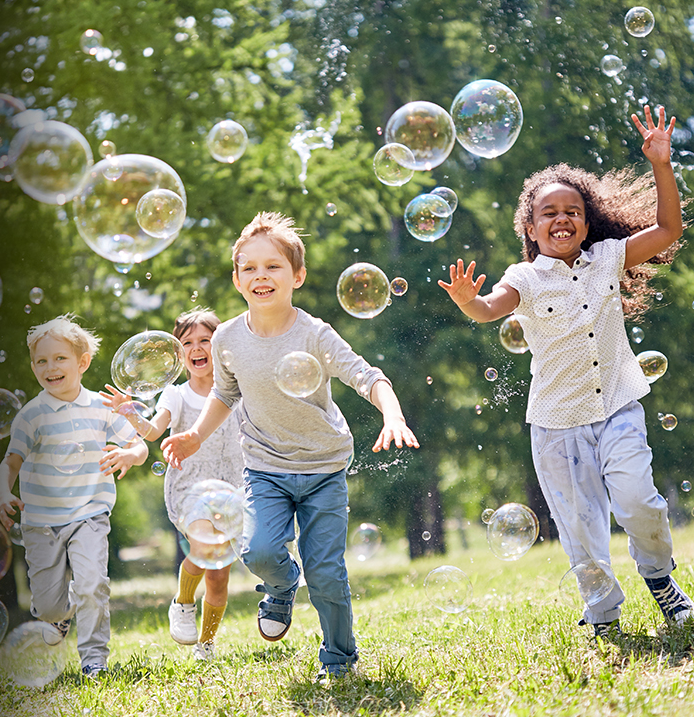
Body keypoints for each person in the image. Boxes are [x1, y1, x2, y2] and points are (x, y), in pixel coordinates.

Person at [438, 104, 691, 638]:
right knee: (580, 531)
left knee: (639, 501)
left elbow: (670, 228)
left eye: (572, 210)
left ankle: (661, 580)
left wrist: (661, 165)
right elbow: (489, 308)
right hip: (557, 425)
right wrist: (467, 301)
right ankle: (602, 615)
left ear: (587, 220)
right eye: (548, 212)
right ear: (530, 227)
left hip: (618, 405)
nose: (561, 218)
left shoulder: (609, 257)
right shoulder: (524, 277)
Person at [162, 212, 419, 680]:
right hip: (264, 467)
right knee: (257, 551)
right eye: (250, 268)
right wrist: (195, 435)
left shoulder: (314, 333)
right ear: (237, 279)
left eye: (273, 266)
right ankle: (280, 587)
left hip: (323, 466)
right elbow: (224, 393)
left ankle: (339, 660)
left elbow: (367, 376)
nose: (261, 275)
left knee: (326, 574)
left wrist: (393, 414)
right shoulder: (227, 338)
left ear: (296, 275)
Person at [0, 314, 149, 677]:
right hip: (41, 523)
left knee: (93, 584)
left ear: (82, 363)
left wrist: (130, 454)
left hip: (89, 515)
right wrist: (3, 492)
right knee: (48, 605)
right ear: (33, 366)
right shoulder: (31, 416)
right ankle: (59, 618)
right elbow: (10, 461)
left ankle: (94, 660)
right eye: (41, 361)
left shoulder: (101, 407)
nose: (50, 367)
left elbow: (138, 444)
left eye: (59, 358)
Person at [101, 308, 245, 662]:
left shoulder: (239, 389)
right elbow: (152, 431)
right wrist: (130, 413)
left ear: (221, 346)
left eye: (205, 341)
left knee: (219, 577)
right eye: (188, 343)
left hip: (233, 487)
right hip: (190, 486)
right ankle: (183, 603)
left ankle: (206, 644)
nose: (197, 349)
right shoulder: (175, 396)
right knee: (202, 549)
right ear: (180, 355)